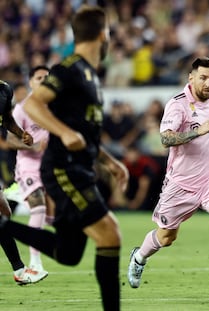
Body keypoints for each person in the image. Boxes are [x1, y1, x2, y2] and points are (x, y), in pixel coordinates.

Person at [0, 5, 128, 311]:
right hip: (64, 169)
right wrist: (63, 133)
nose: (109, 37)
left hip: (81, 167)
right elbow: (33, 106)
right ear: (102, 35)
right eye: (108, 31)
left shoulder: (89, 75)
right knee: (110, 234)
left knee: (69, 253)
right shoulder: (68, 70)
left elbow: (86, 132)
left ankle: (2, 227)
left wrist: (109, 161)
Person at [127, 56, 209, 289]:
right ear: (191, 77)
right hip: (179, 184)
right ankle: (139, 257)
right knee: (166, 237)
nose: (208, 83)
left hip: (208, 177)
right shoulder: (177, 104)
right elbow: (165, 139)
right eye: (203, 78)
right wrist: (198, 131)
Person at [0, 80, 48, 285]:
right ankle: (20, 269)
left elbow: (7, 119)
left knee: (5, 213)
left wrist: (22, 134)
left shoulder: (4, 89)